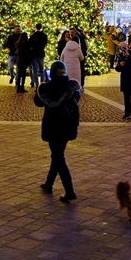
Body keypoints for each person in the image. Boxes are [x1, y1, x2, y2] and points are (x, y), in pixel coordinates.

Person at [35, 60, 81, 203]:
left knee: (58, 157)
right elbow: (77, 97)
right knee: (57, 155)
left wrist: (42, 84)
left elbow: (38, 101)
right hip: (67, 127)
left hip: (54, 127)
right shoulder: (71, 86)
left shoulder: (47, 88)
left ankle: (69, 190)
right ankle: (49, 183)